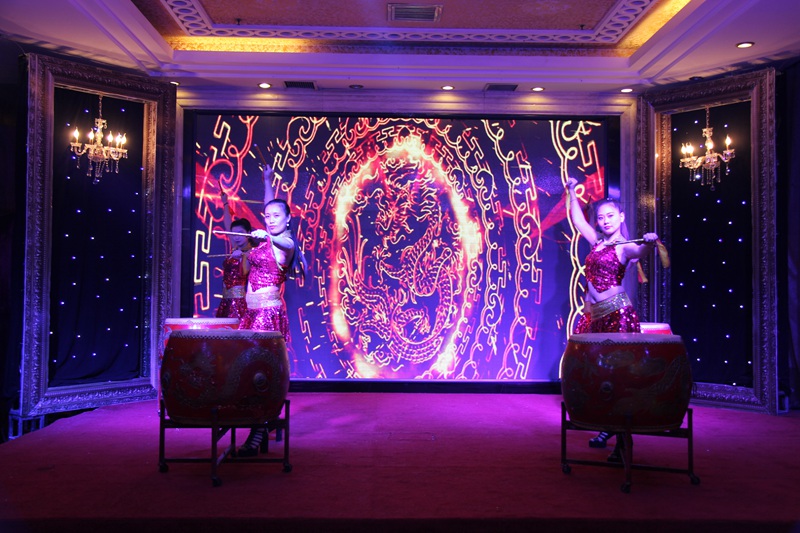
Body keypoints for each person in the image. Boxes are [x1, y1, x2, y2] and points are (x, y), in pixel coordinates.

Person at [565, 177, 659, 460]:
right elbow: (578, 221)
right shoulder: (596, 242)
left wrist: (649, 243)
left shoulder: (625, 246)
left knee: (618, 376)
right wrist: (571, 192)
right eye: (601, 217)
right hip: (594, 317)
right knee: (597, 374)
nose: (605, 221)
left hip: (617, 315)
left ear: (621, 217)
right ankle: (608, 426)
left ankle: (622, 440)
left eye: (610, 216)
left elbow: (640, 251)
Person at [236, 166, 307, 457]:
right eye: (268, 216)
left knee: (260, 370)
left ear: (288, 218)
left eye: (277, 216)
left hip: (267, 313)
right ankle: (259, 420)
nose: (271, 219)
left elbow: (282, 240)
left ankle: (260, 427)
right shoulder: (267, 231)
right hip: (251, 312)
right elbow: (269, 207)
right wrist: (266, 180)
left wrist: (265, 234)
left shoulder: (286, 244)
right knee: (247, 369)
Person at [215, 193, 253, 319]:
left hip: (239, 302)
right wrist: (225, 203)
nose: (236, 237)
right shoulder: (235, 247)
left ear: (249, 233)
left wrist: (243, 257)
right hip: (226, 300)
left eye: (240, 233)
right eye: (234, 234)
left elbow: (245, 272)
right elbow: (228, 224)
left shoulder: (252, 252)